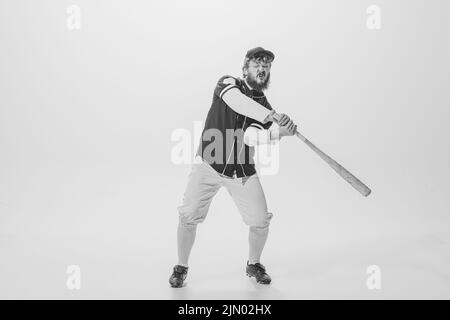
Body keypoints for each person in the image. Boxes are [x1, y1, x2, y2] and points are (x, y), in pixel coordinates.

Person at [169, 47, 297, 287]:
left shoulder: (264, 104)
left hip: (242, 172)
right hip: (208, 164)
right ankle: (181, 266)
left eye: (267, 66)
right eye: (257, 64)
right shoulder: (227, 83)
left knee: (260, 220)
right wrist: (272, 117)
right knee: (188, 216)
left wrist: (280, 132)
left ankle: (253, 263)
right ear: (245, 67)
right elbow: (238, 104)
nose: (263, 69)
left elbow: (251, 136)